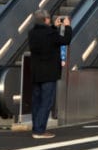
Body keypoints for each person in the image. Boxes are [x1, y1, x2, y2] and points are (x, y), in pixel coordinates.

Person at [28, 9, 73, 139]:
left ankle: (36, 127)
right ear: (45, 19)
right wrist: (68, 26)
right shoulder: (50, 33)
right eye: (49, 19)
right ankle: (40, 130)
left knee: (36, 101)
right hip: (49, 73)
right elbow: (65, 40)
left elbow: (48, 37)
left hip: (36, 73)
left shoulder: (32, 33)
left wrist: (54, 26)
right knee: (46, 102)